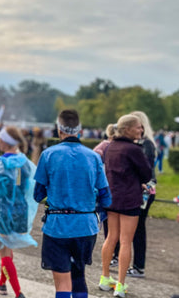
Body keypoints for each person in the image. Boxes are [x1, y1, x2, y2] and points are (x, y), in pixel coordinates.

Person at [34, 109, 112, 298]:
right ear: (80, 130)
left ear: (59, 130)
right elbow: (106, 197)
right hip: (86, 226)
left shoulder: (49, 155)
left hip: (57, 226)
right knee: (79, 276)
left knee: (62, 282)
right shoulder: (93, 157)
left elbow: (37, 194)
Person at [100, 114, 153, 297]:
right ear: (128, 129)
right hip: (129, 199)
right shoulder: (134, 149)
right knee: (125, 241)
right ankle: (120, 285)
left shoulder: (111, 146)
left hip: (112, 198)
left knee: (110, 238)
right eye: (138, 127)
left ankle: (105, 277)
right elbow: (146, 174)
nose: (141, 130)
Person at [0, 126, 38, 298]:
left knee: (4, 253)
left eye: (0, 138)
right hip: (20, 211)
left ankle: (18, 293)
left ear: (6, 142)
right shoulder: (25, 163)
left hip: (2, 211)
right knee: (8, 247)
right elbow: (29, 188)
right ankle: (1, 284)